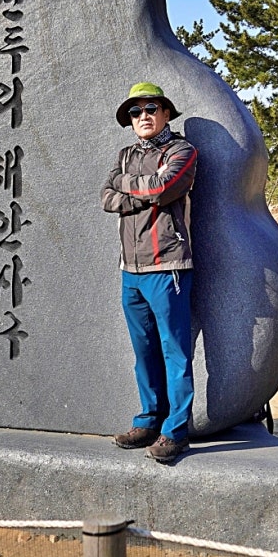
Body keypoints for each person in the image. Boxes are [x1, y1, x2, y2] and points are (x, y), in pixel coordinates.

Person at [100, 82, 198, 464]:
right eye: (135, 112)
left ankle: (175, 431)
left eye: (150, 108)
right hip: (131, 271)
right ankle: (149, 420)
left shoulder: (182, 150)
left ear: (166, 113)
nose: (143, 116)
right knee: (144, 352)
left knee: (175, 351)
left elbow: (165, 186)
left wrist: (129, 189)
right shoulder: (124, 155)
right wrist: (136, 189)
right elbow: (106, 196)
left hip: (168, 267)